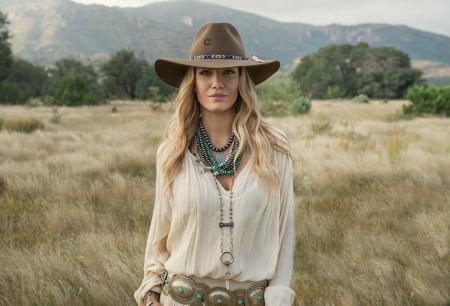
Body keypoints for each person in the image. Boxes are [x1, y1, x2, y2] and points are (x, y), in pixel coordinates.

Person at [135, 22, 295, 306]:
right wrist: (150, 296)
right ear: (192, 82)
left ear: (241, 79)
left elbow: (285, 235)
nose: (217, 83)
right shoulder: (172, 152)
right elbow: (158, 237)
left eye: (228, 72)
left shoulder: (274, 148)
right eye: (205, 72)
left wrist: (279, 300)